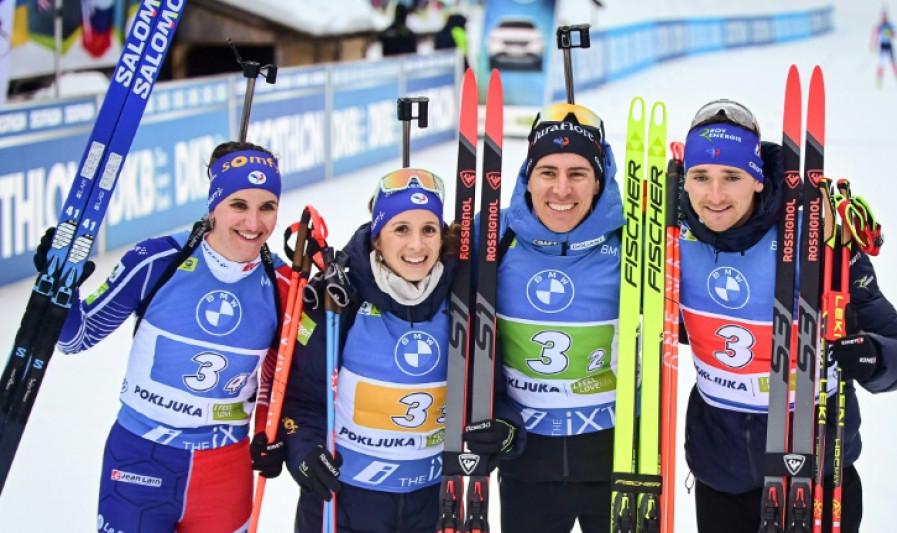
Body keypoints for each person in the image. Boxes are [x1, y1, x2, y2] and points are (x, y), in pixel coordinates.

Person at [677, 99, 897, 533]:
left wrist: (872, 356)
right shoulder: (671, 242)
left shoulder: (817, 234)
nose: (715, 195)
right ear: (686, 181)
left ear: (758, 180)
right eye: (701, 177)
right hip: (722, 480)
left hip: (817, 478)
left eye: (731, 177)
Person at [49, 141, 285, 531]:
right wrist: (60, 292)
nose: (254, 223)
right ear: (214, 205)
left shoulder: (280, 283)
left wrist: (269, 436)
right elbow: (77, 339)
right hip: (139, 462)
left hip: (225, 471)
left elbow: (277, 381)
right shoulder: (158, 260)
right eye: (239, 205)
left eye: (267, 207)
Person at [280, 168, 504, 532]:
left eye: (428, 230)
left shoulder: (464, 298)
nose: (416, 245)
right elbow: (301, 400)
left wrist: (502, 431)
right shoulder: (339, 298)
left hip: (434, 505)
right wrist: (304, 453)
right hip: (344, 504)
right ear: (377, 238)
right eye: (401, 229)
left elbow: (494, 397)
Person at [492, 102, 624, 532]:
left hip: (619, 460)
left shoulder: (635, 241)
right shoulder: (493, 236)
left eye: (578, 174)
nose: (561, 190)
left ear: (599, 180)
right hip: (525, 463)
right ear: (527, 177)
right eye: (548, 172)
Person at [871, 10, 897, 88]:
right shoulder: (879, 26)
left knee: (893, 63)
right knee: (881, 63)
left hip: (889, 45)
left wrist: (890, 33)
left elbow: (896, 35)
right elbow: (875, 35)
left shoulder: (890, 25)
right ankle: (879, 81)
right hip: (882, 46)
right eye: (883, 16)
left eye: (885, 16)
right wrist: (873, 45)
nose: (884, 18)